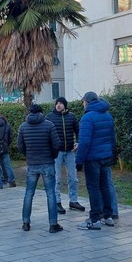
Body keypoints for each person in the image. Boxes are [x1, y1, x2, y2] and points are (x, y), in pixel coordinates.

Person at [17, 103, 62, 233]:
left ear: (29, 112)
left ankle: (26, 222)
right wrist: (53, 156)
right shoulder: (49, 125)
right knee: (50, 193)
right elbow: (56, 144)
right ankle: (53, 224)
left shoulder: (23, 127)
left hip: (32, 164)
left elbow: (20, 147)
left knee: (29, 193)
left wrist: (29, 155)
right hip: (47, 163)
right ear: (41, 112)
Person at [75, 91, 117, 230]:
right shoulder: (107, 115)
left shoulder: (87, 118)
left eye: (83, 102)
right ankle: (108, 216)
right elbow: (112, 138)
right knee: (104, 186)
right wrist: (113, 155)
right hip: (105, 157)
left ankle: (94, 219)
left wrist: (79, 161)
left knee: (93, 188)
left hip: (92, 158)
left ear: (87, 102)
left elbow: (84, 142)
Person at [45, 97, 85, 214]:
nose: (58, 105)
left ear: (65, 105)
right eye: (57, 103)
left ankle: (73, 201)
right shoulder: (49, 117)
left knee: (73, 178)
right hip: (56, 153)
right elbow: (46, 133)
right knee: (56, 178)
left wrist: (78, 142)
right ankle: (57, 202)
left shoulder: (71, 116)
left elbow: (79, 131)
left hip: (70, 151)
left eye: (61, 103)